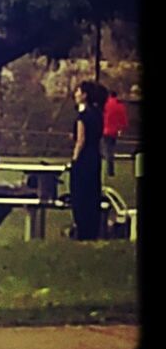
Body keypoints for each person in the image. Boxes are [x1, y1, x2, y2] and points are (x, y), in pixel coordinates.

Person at [69, 80, 104, 240]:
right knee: (92, 193)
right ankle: (93, 230)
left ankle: (82, 229)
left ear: (84, 95)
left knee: (80, 195)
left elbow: (80, 140)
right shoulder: (98, 114)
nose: (75, 94)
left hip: (83, 159)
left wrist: (74, 159)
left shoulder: (82, 116)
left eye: (78, 91)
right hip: (95, 156)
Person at [102, 90, 129, 177]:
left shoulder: (105, 104)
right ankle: (110, 170)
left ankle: (108, 169)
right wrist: (121, 128)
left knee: (106, 149)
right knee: (110, 150)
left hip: (104, 130)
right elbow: (123, 119)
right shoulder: (120, 106)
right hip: (114, 131)